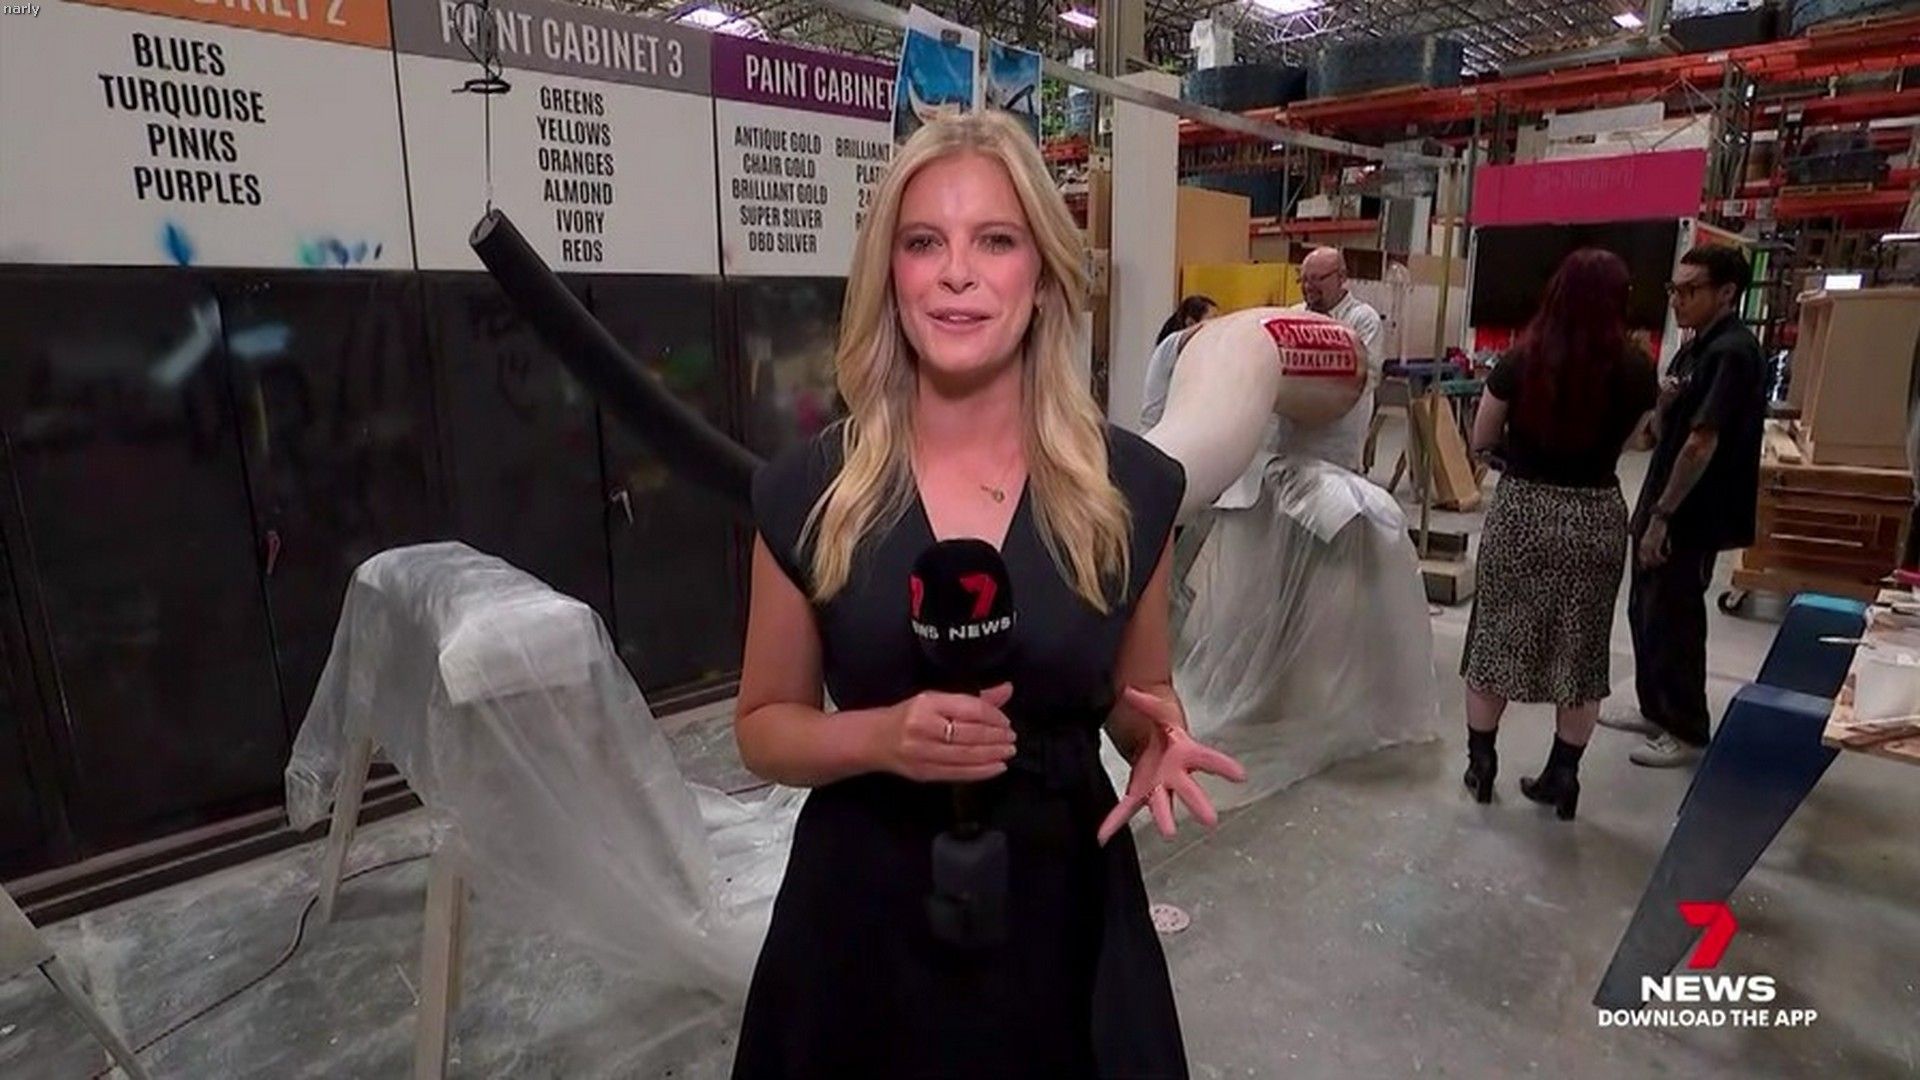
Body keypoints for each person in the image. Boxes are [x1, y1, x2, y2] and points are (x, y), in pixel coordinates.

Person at [731, 110, 1245, 1079]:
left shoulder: (1129, 492)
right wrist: (881, 737)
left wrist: (1158, 734)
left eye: (996, 241)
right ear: (891, 277)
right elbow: (764, 727)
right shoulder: (810, 494)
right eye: (925, 243)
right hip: (860, 930)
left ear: (1043, 278)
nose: (957, 273)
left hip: (1059, 922)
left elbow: (1140, 696)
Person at [1457, 249, 1659, 819]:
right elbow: (1636, 440)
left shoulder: (1521, 360)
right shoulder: (1638, 369)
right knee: (1581, 650)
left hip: (1523, 511)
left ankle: (1481, 765)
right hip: (1595, 516)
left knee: (1495, 640)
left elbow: (1481, 439)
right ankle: (1562, 777)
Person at [1601, 244, 1766, 768]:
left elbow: (1701, 443)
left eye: (1690, 290)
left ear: (1727, 293)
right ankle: (1656, 709)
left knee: (1676, 619)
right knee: (1645, 611)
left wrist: (1664, 517)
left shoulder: (1731, 353)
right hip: (1660, 496)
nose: (1677, 300)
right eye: (1675, 289)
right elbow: (1655, 435)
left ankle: (1687, 727)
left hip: (1693, 510)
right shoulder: (1692, 350)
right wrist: (1663, 405)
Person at [1213, 248, 1384, 508]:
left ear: (1341, 277)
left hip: (1336, 447)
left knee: (1331, 515)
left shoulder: (1362, 320)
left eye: (1317, 279)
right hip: (1289, 443)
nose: (1308, 287)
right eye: (1303, 279)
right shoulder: (1292, 316)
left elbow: (1365, 377)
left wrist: (1309, 385)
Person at [1140, 295, 1217, 428]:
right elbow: (1197, 332)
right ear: (1190, 323)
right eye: (1214, 319)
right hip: (1156, 433)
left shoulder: (1199, 361)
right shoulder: (1169, 344)